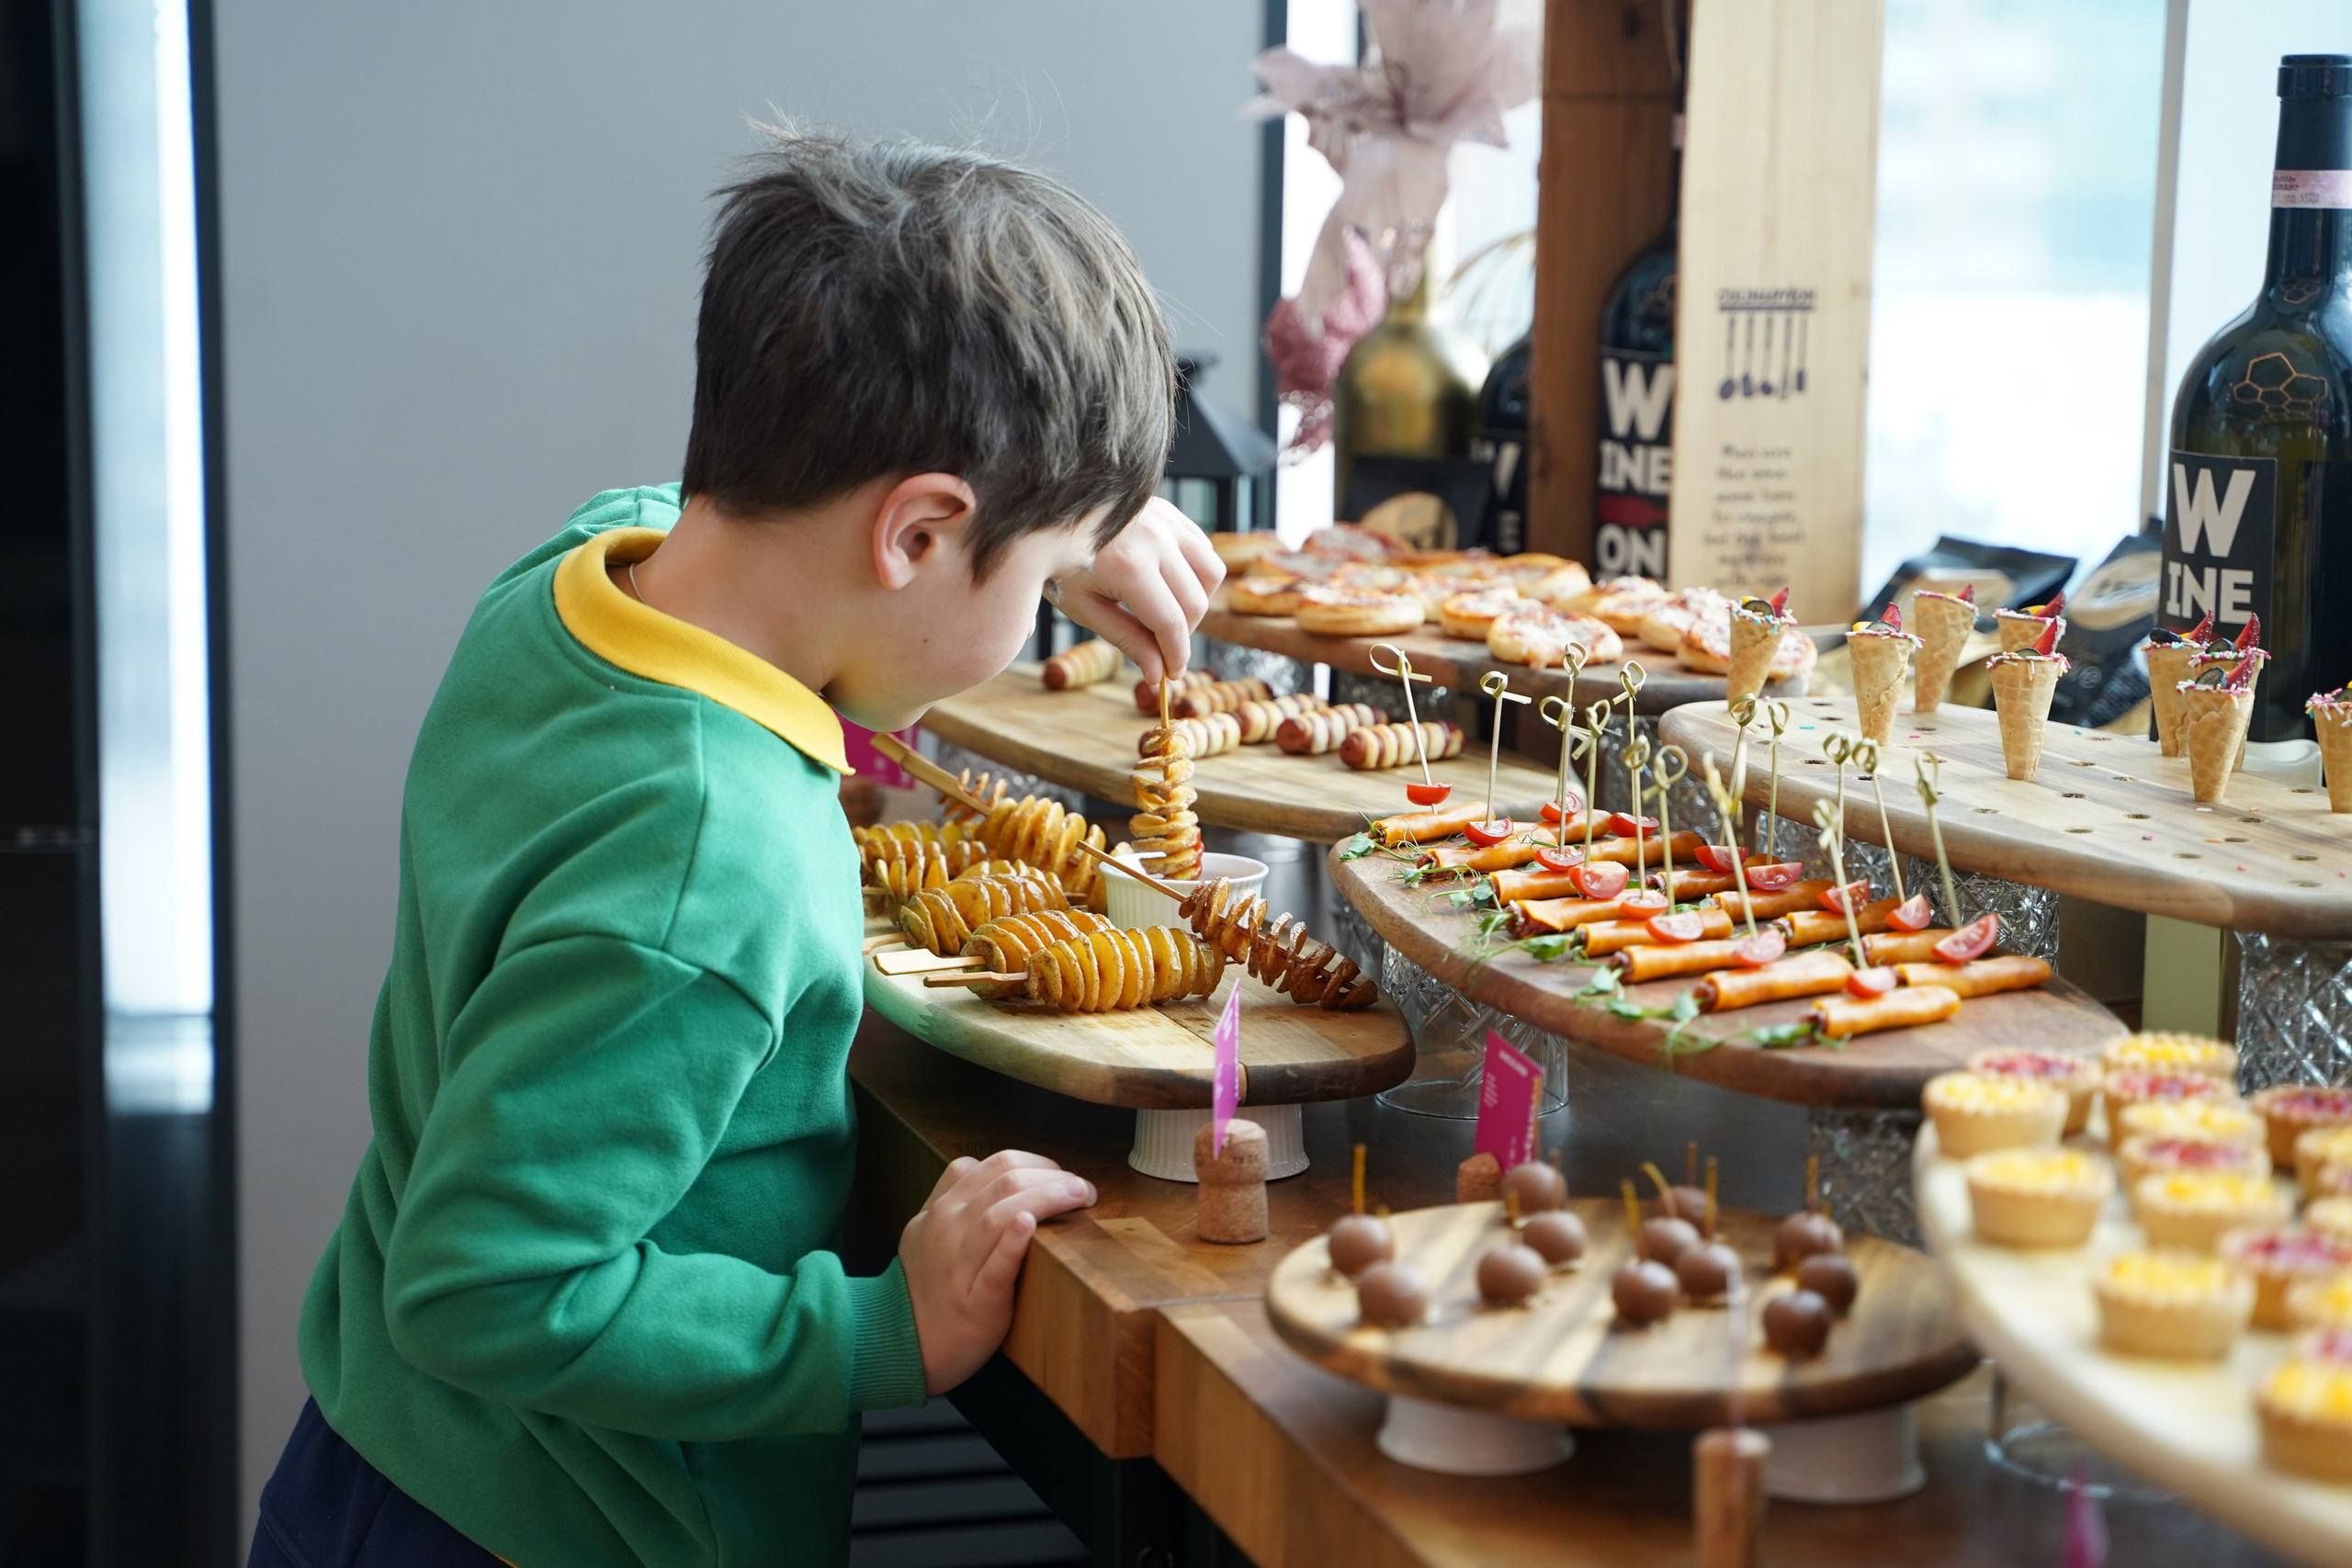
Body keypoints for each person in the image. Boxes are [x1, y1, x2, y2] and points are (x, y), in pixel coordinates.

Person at [250, 127, 1224, 1568]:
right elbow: (480, 1288)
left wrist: (1053, 514)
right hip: (546, 1525)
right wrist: (878, 1333)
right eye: (1033, 578)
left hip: (385, 1462)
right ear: (918, 531)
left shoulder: (581, 575)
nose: (1046, 609)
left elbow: (745, 500)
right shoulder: (712, 866)